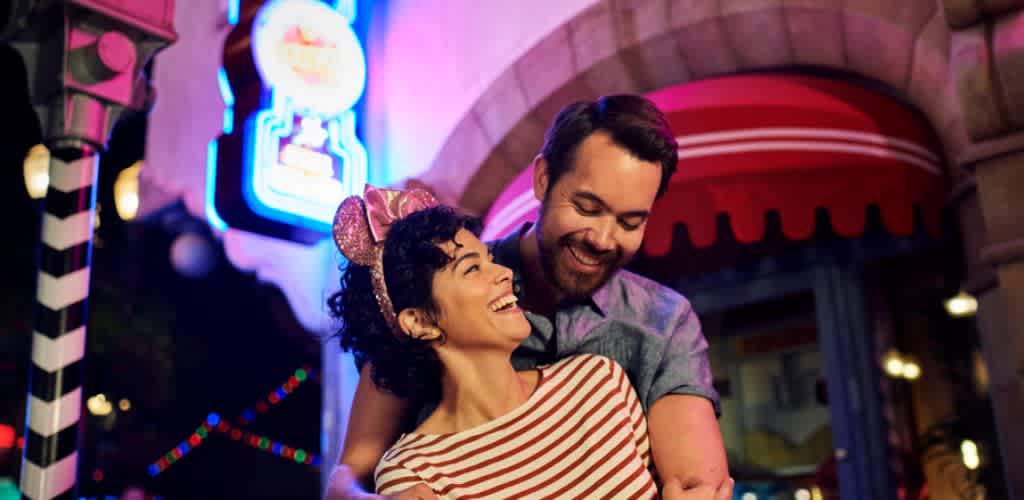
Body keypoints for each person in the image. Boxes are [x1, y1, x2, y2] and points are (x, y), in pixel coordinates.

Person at [328, 95, 731, 499]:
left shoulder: (647, 334)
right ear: (542, 179)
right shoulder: (441, 292)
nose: (603, 239)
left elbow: (697, 482)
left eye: (629, 222)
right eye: (587, 208)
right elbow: (352, 473)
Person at [331, 188, 671, 498]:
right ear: (419, 322)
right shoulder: (415, 472)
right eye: (472, 268)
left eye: (490, 260)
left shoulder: (599, 383)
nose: (504, 273)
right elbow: (348, 471)